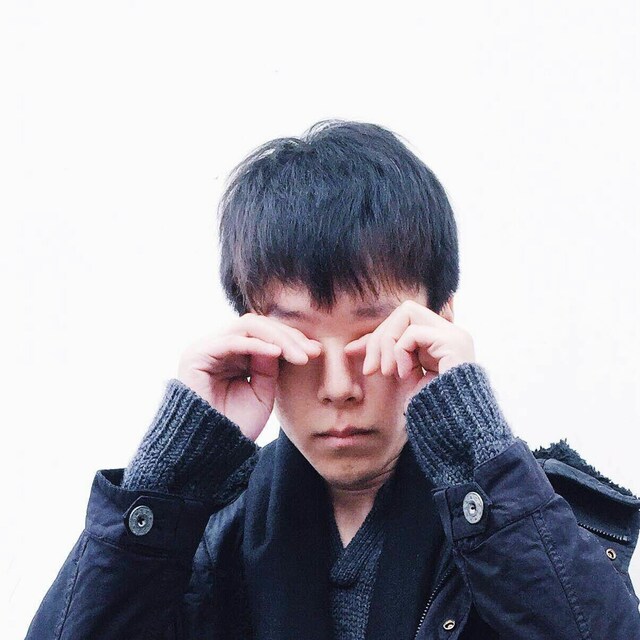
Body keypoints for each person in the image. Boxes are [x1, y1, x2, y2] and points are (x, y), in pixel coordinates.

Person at [26, 120, 640, 639]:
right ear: (252, 341)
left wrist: (474, 444)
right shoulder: (209, 537)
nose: (340, 386)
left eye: (374, 338)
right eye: (302, 348)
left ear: (439, 324)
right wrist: (172, 473)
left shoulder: (530, 518)